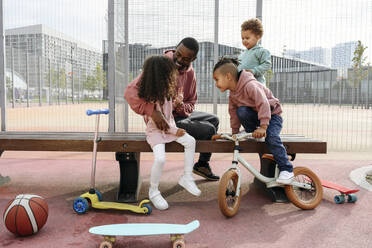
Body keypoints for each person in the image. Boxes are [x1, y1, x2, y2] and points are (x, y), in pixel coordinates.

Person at [125, 37, 220, 181]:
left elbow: (191, 102)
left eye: (186, 58)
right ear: (175, 48)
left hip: (177, 116)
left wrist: (181, 107)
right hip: (161, 120)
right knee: (209, 130)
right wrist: (153, 111)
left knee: (214, 120)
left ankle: (202, 164)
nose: (180, 60)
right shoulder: (160, 65)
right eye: (179, 54)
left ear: (193, 59)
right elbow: (130, 92)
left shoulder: (190, 73)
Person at [130, 55, 201, 210]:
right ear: (159, 76)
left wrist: (177, 103)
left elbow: (168, 116)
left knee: (191, 142)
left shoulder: (166, 93)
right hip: (156, 132)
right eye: (168, 74)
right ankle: (153, 191)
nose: (172, 76)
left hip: (170, 129)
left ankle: (187, 177)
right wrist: (176, 131)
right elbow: (161, 124)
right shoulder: (152, 97)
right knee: (160, 159)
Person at [212, 57, 294, 184]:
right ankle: (251, 131)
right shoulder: (233, 94)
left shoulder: (250, 85)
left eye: (217, 79)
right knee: (241, 111)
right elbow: (233, 114)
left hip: (272, 117)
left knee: (271, 138)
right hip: (257, 118)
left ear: (228, 76)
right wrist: (235, 132)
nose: (216, 84)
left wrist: (263, 127)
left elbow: (264, 104)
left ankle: (287, 169)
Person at [238, 18, 271, 86]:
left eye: (247, 38)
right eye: (242, 38)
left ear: (257, 36)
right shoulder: (242, 54)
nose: (244, 41)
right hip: (244, 86)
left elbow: (267, 65)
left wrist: (253, 71)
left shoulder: (261, 51)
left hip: (257, 85)